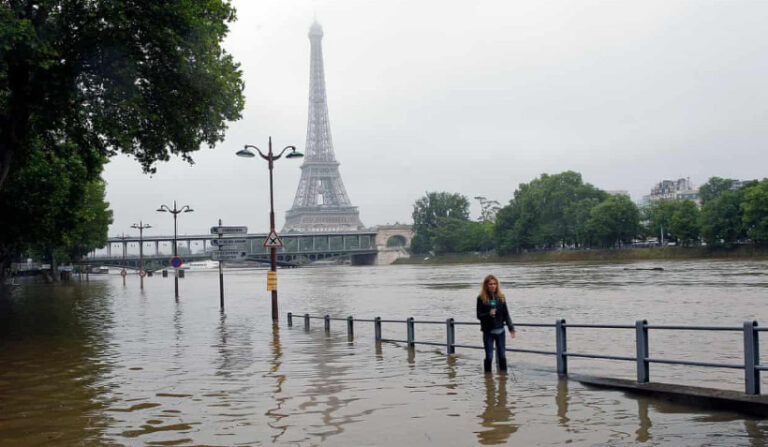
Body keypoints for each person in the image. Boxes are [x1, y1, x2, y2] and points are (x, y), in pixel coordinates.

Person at [476, 274, 515, 373]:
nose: (493, 286)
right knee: (489, 356)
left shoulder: (501, 297)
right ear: (486, 285)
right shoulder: (481, 298)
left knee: (502, 356)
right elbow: (479, 315)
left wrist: (511, 328)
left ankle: (503, 379)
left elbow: (506, 314)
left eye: (494, 284)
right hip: (488, 331)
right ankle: (488, 380)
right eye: (490, 284)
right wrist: (489, 314)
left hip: (500, 331)